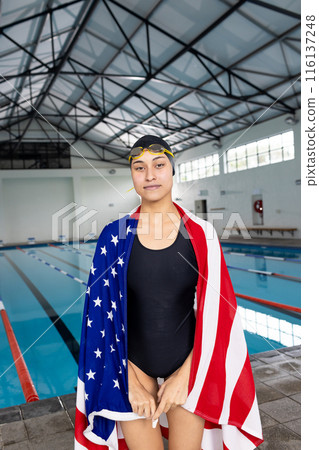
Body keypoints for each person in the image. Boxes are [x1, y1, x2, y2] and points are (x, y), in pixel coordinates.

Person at [74, 135, 263, 450]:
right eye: (139, 167)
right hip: (130, 364)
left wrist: (185, 376)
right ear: (132, 175)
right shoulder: (113, 236)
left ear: (172, 171)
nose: (150, 175)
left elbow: (219, 314)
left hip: (189, 362)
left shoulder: (201, 234)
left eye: (159, 165)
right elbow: (100, 317)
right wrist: (129, 379)